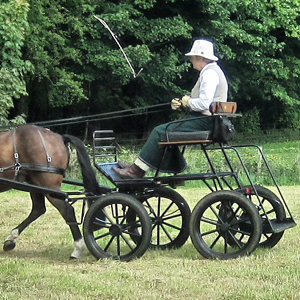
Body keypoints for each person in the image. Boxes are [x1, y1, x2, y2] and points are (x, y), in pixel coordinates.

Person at [113, 38, 228, 179]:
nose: (191, 60)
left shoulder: (208, 74)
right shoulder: (213, 71)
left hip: (206, 121)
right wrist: (183, 104)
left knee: (160, 131)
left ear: (201, 58)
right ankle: (140, 167)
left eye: (193, 57)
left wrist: (188, 102)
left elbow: (204, 103)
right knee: (166, 131)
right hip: (211, 120)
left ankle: (136, 171)